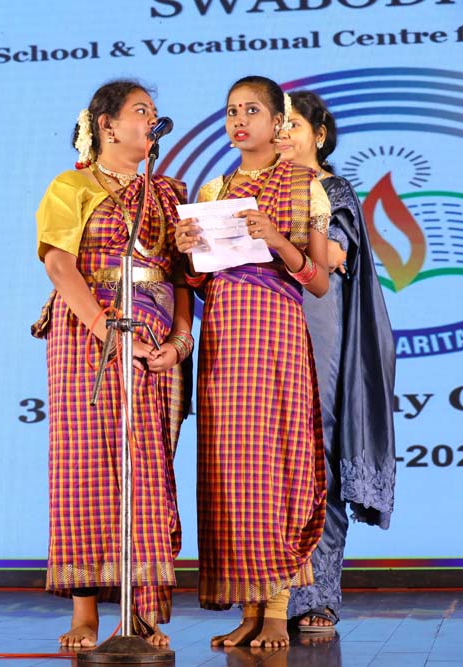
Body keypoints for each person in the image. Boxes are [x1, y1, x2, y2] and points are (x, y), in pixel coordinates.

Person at [32, 80, 193, 648]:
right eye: (140, 110)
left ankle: (142, 614)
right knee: (85, 467)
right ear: (106, 125)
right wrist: (107, 332)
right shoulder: (70, 186)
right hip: (87, 334)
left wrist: (181, 339)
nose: (152, 119)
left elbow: (182, 277)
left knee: (146, 468)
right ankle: (85, 614)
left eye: (153, 111)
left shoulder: (170, 194)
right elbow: (59, 265)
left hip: (154, 339)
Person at [175, 75, 330, 649]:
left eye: (252, 111)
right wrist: (187, 249)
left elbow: (318, 282)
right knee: (230, 471)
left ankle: (277, 611)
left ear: (278, 121)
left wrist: (277, 240)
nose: (239, 121)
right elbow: (196, 280)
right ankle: (247, 609)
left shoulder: (306, 186)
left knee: (275, 464)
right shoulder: (214, 190)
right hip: (224, 337)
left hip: (276, 335)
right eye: (231, 111)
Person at [276, 90, 396, 632]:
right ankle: (266, 603)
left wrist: (273, 238)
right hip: (261, 330)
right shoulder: (252, 188)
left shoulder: (331, 189)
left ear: (319, 134)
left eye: (294, 125)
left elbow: (337, 256)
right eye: (278, 124)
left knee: (315, 452)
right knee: (265, 461)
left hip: (316, 322)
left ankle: (316, 596)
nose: (283, 134)